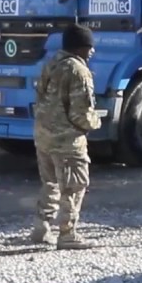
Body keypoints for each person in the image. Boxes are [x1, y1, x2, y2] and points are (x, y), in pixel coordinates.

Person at [31, 24, 101, 249]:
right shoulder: (78, 71)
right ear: (79, 47)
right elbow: (80, 113)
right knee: (74, 185)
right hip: (67, 141)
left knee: (50, 183)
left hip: (43, 136)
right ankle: (68, 234)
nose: (92, 52)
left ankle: (42, 226)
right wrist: (96, 122)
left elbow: (40, 96)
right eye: (89, 47)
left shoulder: (51, 64)